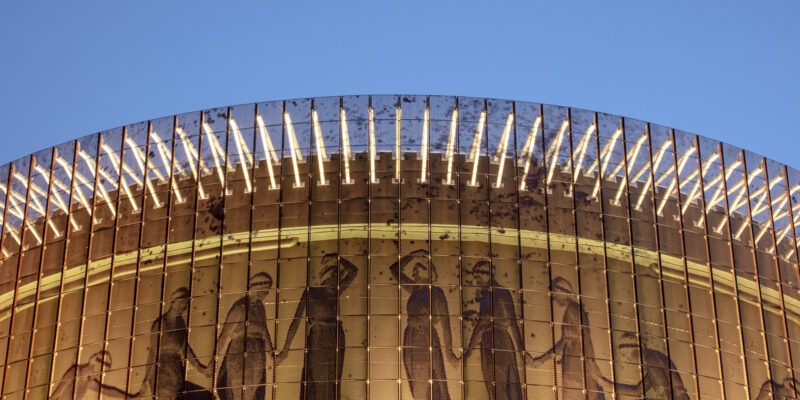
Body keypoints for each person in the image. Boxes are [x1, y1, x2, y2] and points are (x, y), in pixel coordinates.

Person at [278, 253, 358, 400]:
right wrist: (285, 350)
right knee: (318, 379)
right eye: (334, 275)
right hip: (318, 339)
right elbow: (296, 322)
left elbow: (353, 272)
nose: (337, 279)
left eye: (338, 276)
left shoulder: (335, 292)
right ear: (327, 276)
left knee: (333, 382)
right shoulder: (312, 293)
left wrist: (338, 258)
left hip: (335, 338)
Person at [389, 249, 458, 400]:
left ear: (429, 272)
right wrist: (413, 254)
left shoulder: (436, 293)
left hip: (425, 339)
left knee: (427, 382)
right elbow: (394, 270)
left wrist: (449, 353)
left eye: (418, 268)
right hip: (410, 339)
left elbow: (445, 324)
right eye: (414, 269)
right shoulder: (414, 290)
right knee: (415, 382)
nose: (414, 272)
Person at [530, 277, 608, 399]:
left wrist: (591, 364)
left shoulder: (573, 310)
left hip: (576, 362)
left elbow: (584, 339)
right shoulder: (573, 310)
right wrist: (542, 359)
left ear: (560, 292)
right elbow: (564, 342)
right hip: (573, 359)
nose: (554, 299)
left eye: (554, 294)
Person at [463, 260, 531, 400]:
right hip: (487, 343)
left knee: (502, 386)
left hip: (500, 342)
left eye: (480, 275)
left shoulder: (501, 293)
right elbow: (480, 327)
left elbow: (512, 323)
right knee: (492, 386)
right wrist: (468, 352)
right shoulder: (485, 297)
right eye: (476, 276)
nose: (477, 280)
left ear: (489, 274)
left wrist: (522, 351)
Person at [140, 287, 211, 399]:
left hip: (176, 372)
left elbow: (185, 350)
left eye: (185, 304)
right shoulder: (160, 324)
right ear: (173, 302)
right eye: (181, 303)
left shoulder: (180, 324)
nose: (183, 307)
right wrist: (146, 379)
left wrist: (200, 368)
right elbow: (153, 353)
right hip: (162, 375)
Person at [215, 273, 274, 400]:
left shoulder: (260, 308)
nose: (267, 293)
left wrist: (272, 354)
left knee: (254, 392)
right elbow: (224, 336)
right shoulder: (239, 307)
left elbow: (265, 332)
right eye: (265, 290)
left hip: (257, 354)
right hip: (240, 352)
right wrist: (212, 363)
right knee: (240, 390)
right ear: (257, 288)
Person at [609, 332, 690, 400]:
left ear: (635, 349)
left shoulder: (651, 359)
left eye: (625, 354)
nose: (627, 359)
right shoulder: (651, 362)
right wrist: (607, 384)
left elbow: (673, 389)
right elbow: (637, 392)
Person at [50, 351, 133, 399]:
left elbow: (109, 392)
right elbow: (55, 395)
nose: (98, 377)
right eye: (99, 373)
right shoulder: (74, 372)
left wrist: (130, 397)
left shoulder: (88, 382)